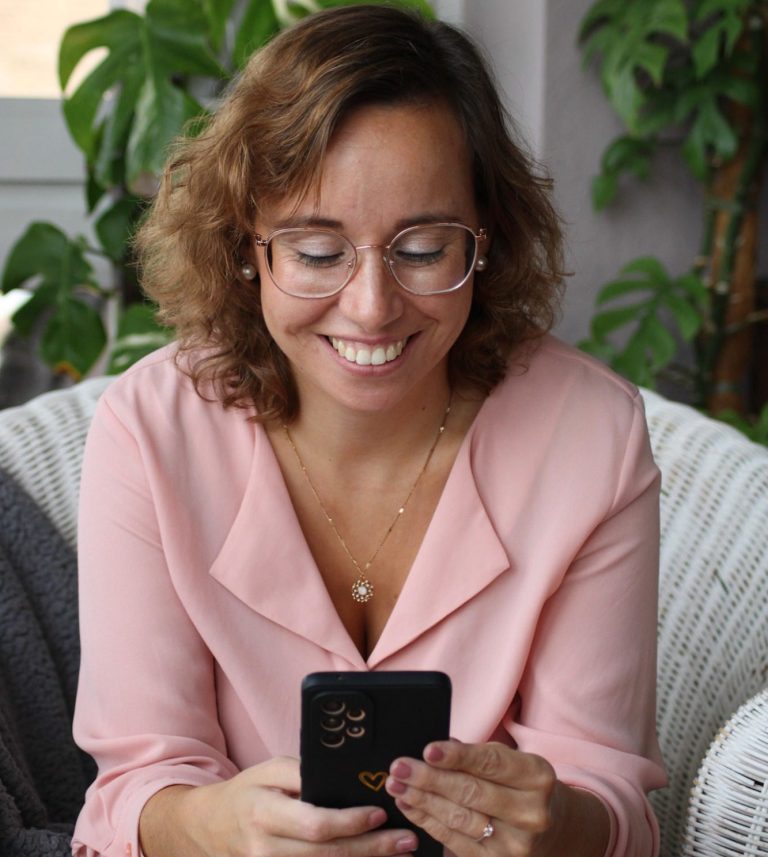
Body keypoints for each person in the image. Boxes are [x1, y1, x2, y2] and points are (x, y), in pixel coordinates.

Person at [71, 5, 667, 857]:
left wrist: (559, 824)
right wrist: (214, 827)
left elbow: (611, 801)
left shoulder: (591, 436)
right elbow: (133, 788)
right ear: (246, 248)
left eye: (423, 248)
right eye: (317, 252)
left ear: (487, 242)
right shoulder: (150, 432)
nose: (372, 307)